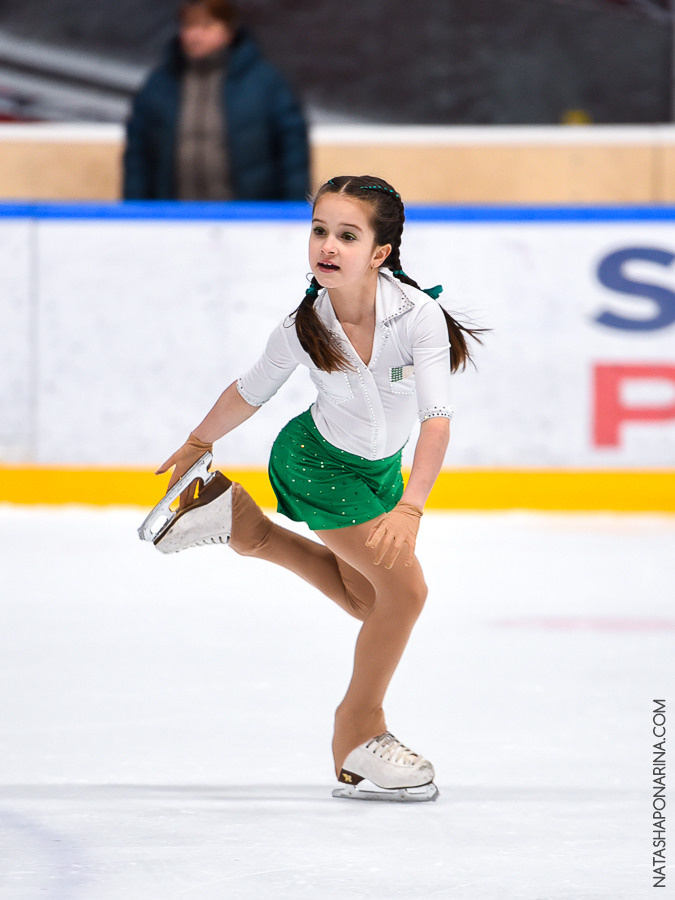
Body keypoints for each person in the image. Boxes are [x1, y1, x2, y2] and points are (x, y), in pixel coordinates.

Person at [150, 174, 484, 800]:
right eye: (320, 230)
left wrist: (412, 506)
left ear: (380, 253)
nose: (328, 245)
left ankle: (240, 522)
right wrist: (197, 442)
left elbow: (436, 420)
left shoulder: (418, 318)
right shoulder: (304, 325)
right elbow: (250, 390)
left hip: (380, 471)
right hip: (315, 464)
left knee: (370, 603)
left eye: (347, 236)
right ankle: (358, 734)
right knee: (405, 594)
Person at [123, 0, 309, 201]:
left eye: (206, 26)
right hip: (175, 212)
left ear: (229, 31)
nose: (195, 35)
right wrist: (135, 209)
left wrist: (294, 209)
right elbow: (138, 156)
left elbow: (293, 151)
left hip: (248, 212)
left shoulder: (266, 83)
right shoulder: (159, 84)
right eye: (189, 26)